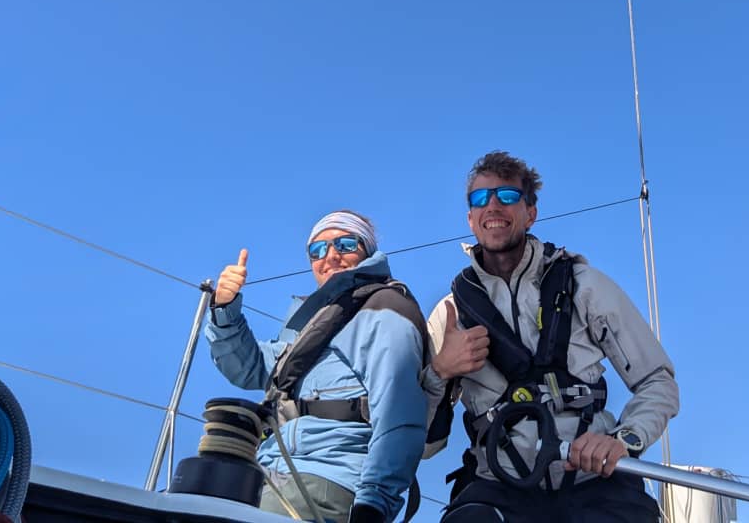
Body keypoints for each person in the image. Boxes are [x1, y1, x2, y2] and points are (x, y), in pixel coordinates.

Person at [423, 151, 679, 522]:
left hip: (592, 478)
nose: (492, 205)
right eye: (480, 199)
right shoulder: (449, 315)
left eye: (507, 195)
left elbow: (658, 381)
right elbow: (424, 445)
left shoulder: (584, 286)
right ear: (471, 219)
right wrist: (439, 372)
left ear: (530, 213)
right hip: (498, 483)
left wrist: (623, 439)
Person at [205, 210, 427, 523]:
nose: (331, 256)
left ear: (367, 251)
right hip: (269, 475)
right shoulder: (311, 325)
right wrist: (225, 310)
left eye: (345, 244)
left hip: (326, 480)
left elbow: (398, 413)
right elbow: (248, 367)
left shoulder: (383, 311)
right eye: (318, 250)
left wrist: (373, 504)